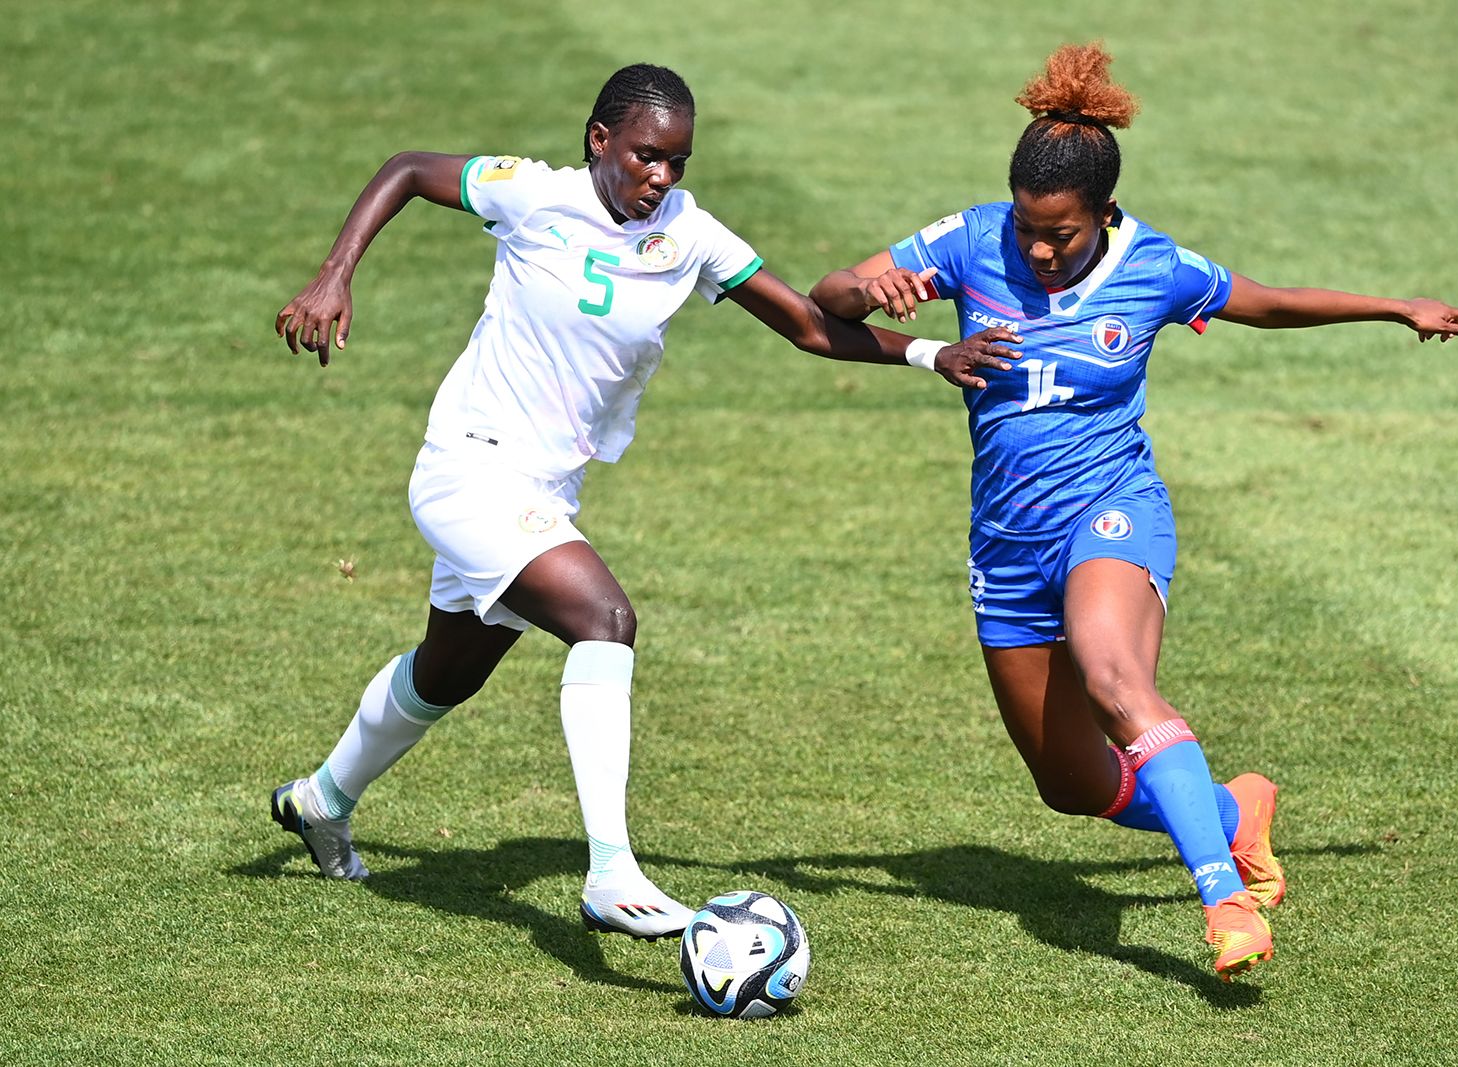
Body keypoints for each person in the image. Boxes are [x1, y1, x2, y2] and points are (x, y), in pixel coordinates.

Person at [270, 63, 1013, 940]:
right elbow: (404, 167)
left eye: (678, 162)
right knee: (605, 620)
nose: (661, 177)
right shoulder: (532, 194)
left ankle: (320, 798)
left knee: (448, 671)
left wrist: (931, 356)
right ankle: (610, 872)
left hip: (543, 487)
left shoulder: (688, 233)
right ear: (600, 141)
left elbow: (807, 324)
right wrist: (334, 273)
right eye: (647, 156)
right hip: (468, 470)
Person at [810, 43, 1458, 979]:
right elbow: (827, 298)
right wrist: (875, 292)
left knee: (1116, 676)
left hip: (1111, 513)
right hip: (1006, 545)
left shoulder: (1152, 263)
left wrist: (1394, 306)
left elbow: (1267, 302)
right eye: (1030, 230)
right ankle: (1234, 811)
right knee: (1070, 784)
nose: (1039, 250)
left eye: (1062, 235)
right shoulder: (966, 240)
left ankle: (1225, 899)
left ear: (1102, 214)